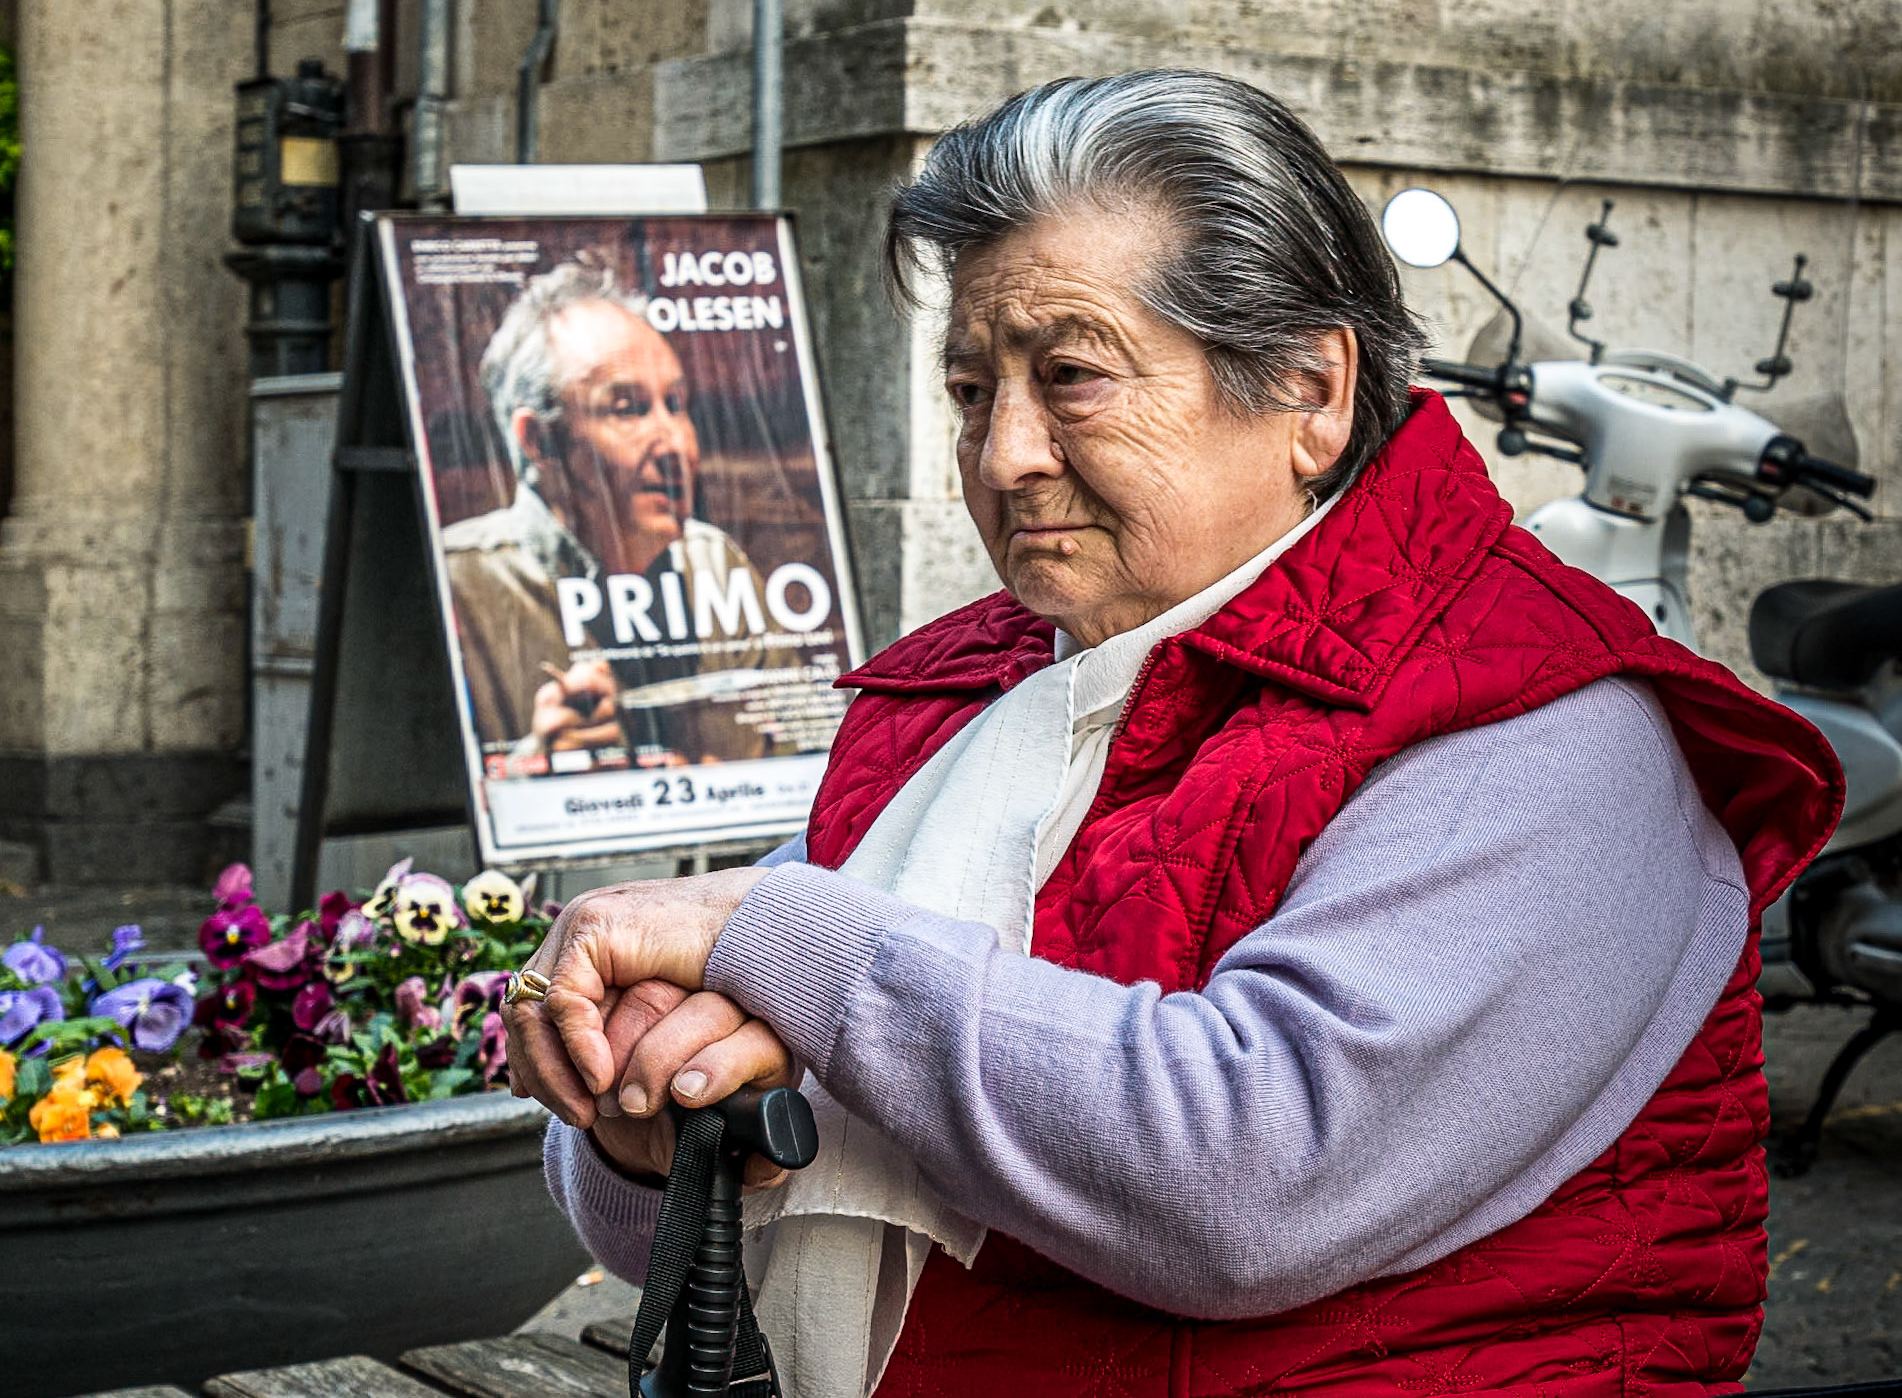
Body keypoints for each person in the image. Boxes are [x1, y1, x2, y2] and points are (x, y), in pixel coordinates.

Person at [504, 71, 1840, 1398]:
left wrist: (778, 938)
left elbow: (1252, 1175)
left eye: (1070, 376)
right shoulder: (970, 700)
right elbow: (660, 1231)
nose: (1002, 453)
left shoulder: (1551, 730)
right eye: (972, 390)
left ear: (1310, 390)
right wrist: (647, 1116)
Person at [443, 258, 797, 768]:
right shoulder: (460, 581)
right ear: (539, 441)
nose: (674, 442)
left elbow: (809, 759)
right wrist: (534, 774)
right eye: (627, 409)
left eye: (675, 403)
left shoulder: (715, 564)